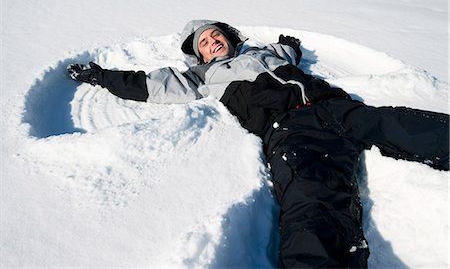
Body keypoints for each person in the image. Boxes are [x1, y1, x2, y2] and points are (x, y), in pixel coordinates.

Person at [67, 20, 449, 268]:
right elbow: (145, 86)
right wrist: (100, 76)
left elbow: (290, 51)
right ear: (198, 54)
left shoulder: (266, 54)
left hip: (336, 108)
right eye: (205, 42)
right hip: (291, 132)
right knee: (312, 201)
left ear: (230, 38)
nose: (213, 41)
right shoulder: (200, 78)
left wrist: (288, 43)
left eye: (217, 35)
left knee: (403, 124)